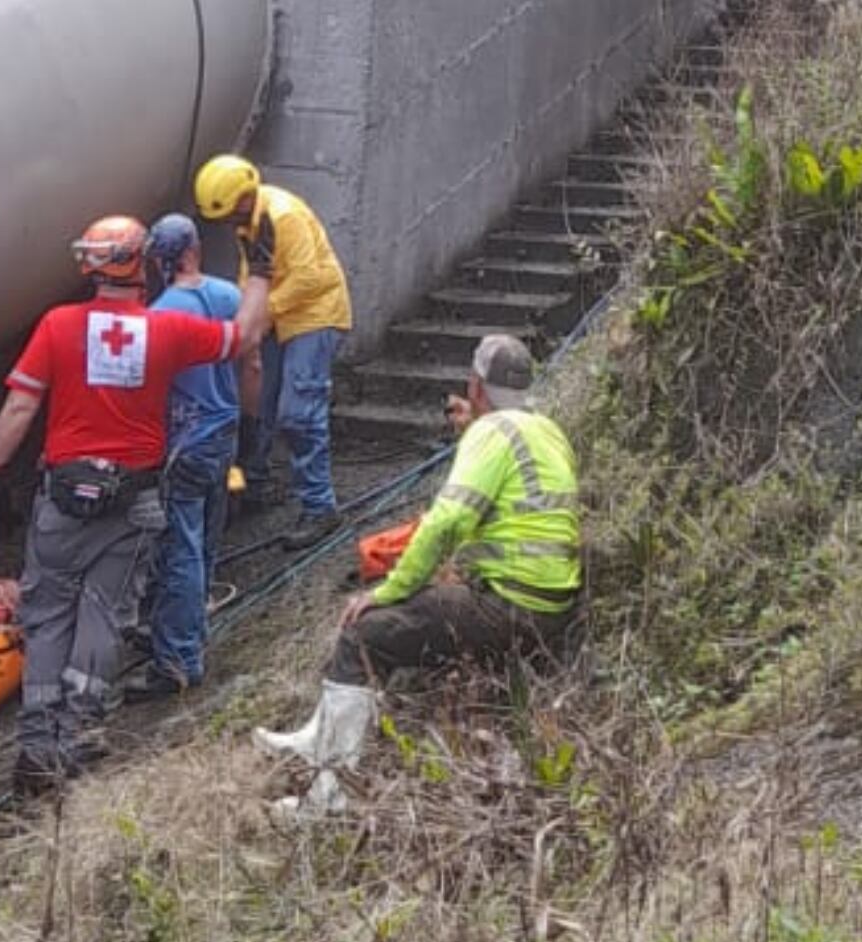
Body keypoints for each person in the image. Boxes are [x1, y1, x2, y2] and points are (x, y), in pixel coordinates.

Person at [0, 215, 269, 795]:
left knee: (48, 613)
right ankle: (80, 733)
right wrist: (260, 272)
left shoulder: (58, 326)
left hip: (63, 498)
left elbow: (19, 409)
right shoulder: (165, 330)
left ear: (89, 265)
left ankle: (36, 746)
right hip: (132, 502)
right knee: (105, 615)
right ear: (143, 263)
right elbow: (245, 338)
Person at [252, 336, 581, 814]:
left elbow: (445, 522)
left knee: (364, 632)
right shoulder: (549, 431)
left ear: (475, 386)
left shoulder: (488, 434)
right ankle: (318, 738)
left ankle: (328, 799)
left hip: (509, 604)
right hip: (550, 607)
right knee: (414, 616)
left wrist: (389, 590)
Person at [193, 155, 353, 550]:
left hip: (315, 317)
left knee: (299, 415)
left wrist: (263, 313)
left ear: (242, 199)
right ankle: (254, 485)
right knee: (256, 403)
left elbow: (310, 277)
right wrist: (244, 312)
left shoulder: (283, 217)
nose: (228, 222)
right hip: (279, 316)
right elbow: (253, 273)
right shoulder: (249, 222)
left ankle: (320, 508)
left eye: (230, 213)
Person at [126, 214, 245, 700]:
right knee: (206, 544)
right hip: (224, 434)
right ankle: (192, 635)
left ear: (158, 258)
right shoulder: (228, 296)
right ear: (195, 248)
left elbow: (147, 388)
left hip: (185, 442)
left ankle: (175, 660)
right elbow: (251, 359)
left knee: (181, 548)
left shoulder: (160, 314)